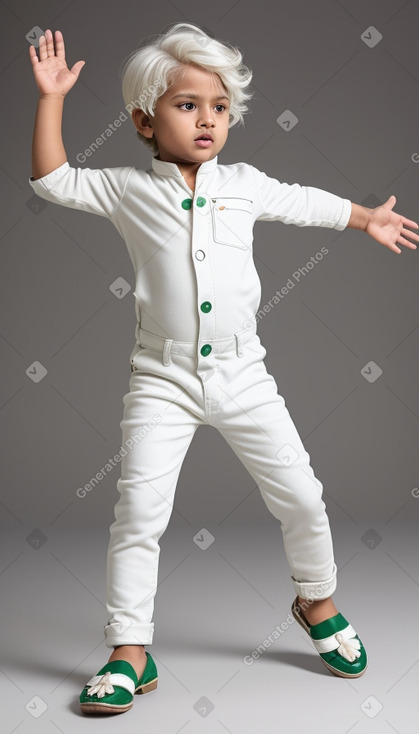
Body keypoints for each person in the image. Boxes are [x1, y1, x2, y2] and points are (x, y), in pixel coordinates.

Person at [28, 22, 418, 716]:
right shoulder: (125, 189)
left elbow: (304, 201)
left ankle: (316, 601)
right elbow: (54, 180)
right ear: (144, 118)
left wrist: (365, 219)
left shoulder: (243, 183)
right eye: (186, 104)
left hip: (245, 376)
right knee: (137, 514)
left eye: (218, 106)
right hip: (161, 379)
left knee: (300, 493)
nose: (206, 118)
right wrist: (52, 99)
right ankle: (128, 651)